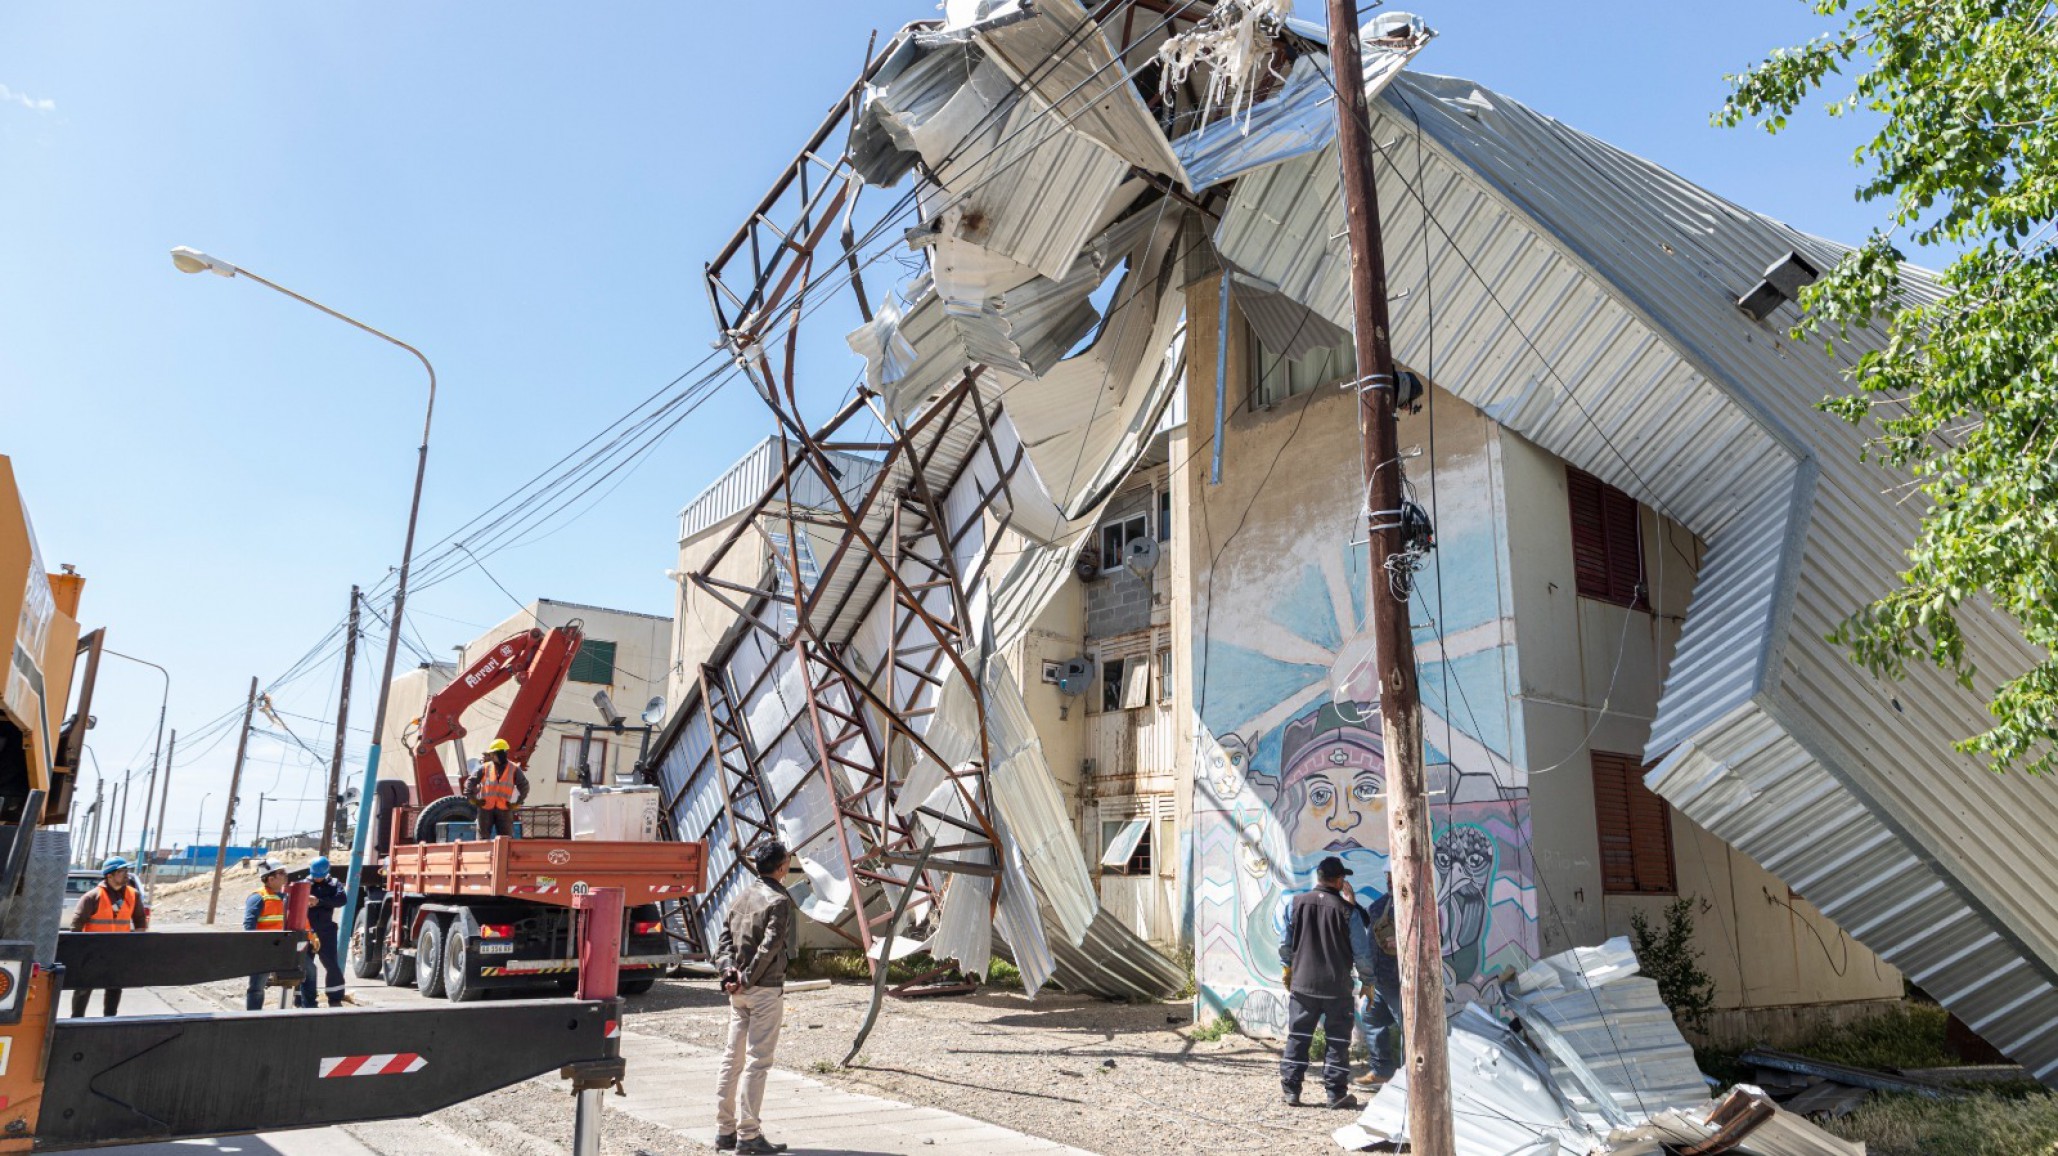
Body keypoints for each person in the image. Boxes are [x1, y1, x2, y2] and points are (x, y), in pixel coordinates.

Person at [1278, 855, 1379, 1110]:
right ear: (1339, 880)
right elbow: (1361, 953)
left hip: (1303, 985)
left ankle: (1291, 1090)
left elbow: (1285, 944)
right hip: (1337, 988)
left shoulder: (1296, 904)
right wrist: (1368, 981)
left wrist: (1288, 968)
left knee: (1298, 1037)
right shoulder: (1349, 912)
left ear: (1319, 878)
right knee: (1337, 1041)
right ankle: (1335, 1094)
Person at [712, 840, 794, 1155]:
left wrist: (729, 973)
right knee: (758, 1062)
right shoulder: (778, 900)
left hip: (739, 994)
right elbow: (770, 945)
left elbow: (723, 941)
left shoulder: (741, 898)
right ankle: (749, 1135)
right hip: (764, 990)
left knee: (732, 1059)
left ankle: (724, 1132)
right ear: (782, 867)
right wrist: (747, 977)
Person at [68, 856, 149, 1017]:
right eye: (121, 871)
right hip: (93, 950)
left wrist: (138, 941)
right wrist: (78, 950)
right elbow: (77, 924)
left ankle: (110, 1018)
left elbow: (140, 919)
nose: (126, 875)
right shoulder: (92, 897)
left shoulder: (133, 895)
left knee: (115, 985)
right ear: (109, 875)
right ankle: (76, 1019)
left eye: (127, 871)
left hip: (118, 949)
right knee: (84, 986)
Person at [1353, 867, 1405, 1088]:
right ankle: (1382, 1070)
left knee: (1409, 1028)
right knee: (1371, 1018)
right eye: (1387, 877)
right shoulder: (1380, 905)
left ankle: (1412, 1076)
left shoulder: (1416, 906)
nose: (1389, 881)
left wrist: (1402, 942)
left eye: (1393, 876)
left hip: (1400, 981)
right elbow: (1368, 926)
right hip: (1380, 980)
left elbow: (1433, 939)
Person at [295, 856, 348, 1008]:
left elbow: (341, 900)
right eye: (315, 876)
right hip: (305, 931)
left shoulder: (334, 884)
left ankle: (335, 997)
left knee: (331, 964)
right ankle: (301, 999)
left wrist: (318, 901)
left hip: (326, 931)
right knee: (304, 965)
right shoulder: (303, 884)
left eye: (320, 876)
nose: (317, 879)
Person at [244, 859, 293, 1011]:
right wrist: (253, 947)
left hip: (283, 947)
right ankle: (253, 1017)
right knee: (257, 987)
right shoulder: (258, 897)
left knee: (300, 977)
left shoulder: (285, 897)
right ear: (270, 879)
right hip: (264, 949)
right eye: (282, 873)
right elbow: (249, 925)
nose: (286, 876)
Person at [465, 739, 528, 840]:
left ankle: (504, 856)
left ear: (501, 753)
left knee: (506, 839)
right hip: (485, 808)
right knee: (482, 839)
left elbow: (524, 786)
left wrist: (518, 802)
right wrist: (472, 798)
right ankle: (483, 856)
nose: (491, 756)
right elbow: (470, 782)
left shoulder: (514, 769)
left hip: (504, 809)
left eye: (493, 754)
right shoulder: (484, 768)